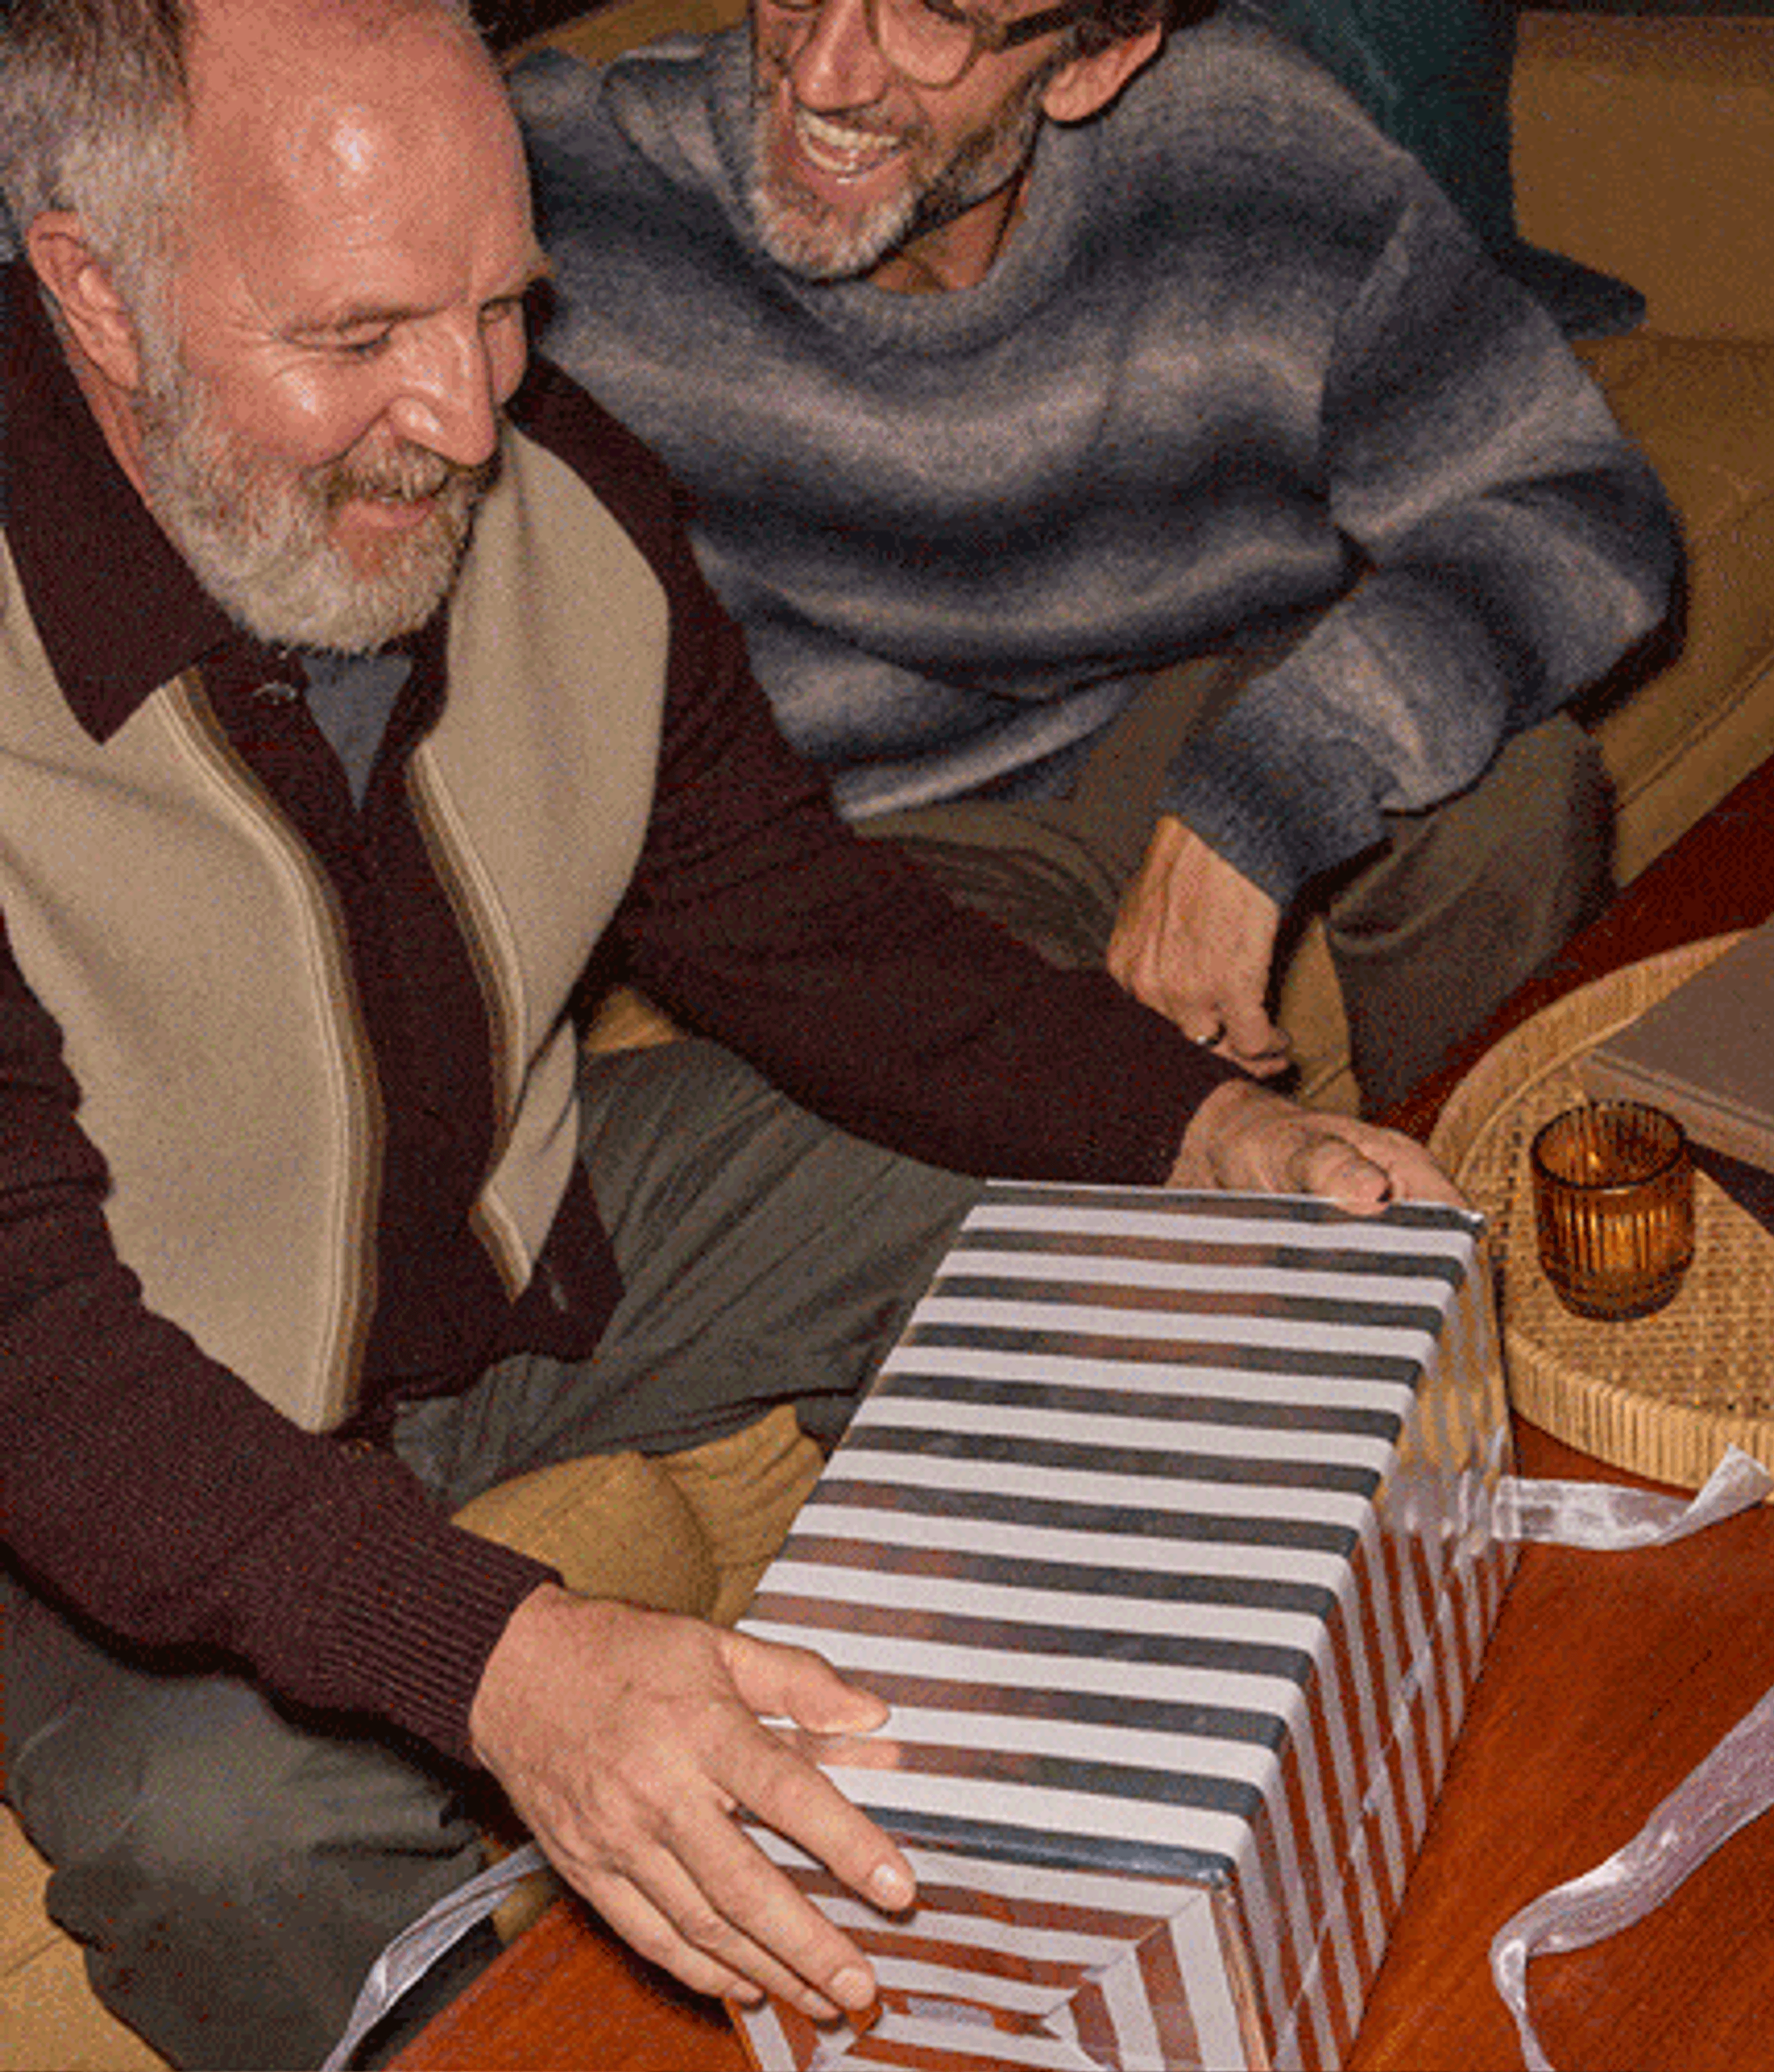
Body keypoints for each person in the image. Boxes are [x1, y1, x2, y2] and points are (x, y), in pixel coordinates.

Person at [0, 0, 1473, 2063]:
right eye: (357, 340)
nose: (465, 417)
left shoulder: (556, 488)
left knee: (1103, 1219)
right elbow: (31, 1345)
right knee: (211, 1821)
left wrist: (1191, 1128)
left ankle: (1052, 1851)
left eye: (500, 307)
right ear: (96, 289)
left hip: (496, 1261)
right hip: (92, 1442)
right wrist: (502, 1657)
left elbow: (788, 914)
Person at [511, 0, 1681, 1112]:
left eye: (936, 21)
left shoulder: (1246, 146)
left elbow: (1573, 499)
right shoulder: (572, 190)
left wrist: (1273, 784)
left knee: (1514, 792)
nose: (823, 73)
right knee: (1026, 1096)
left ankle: (1471, 1228)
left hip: (1194, 703)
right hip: (878, 839)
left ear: (1091, 62)